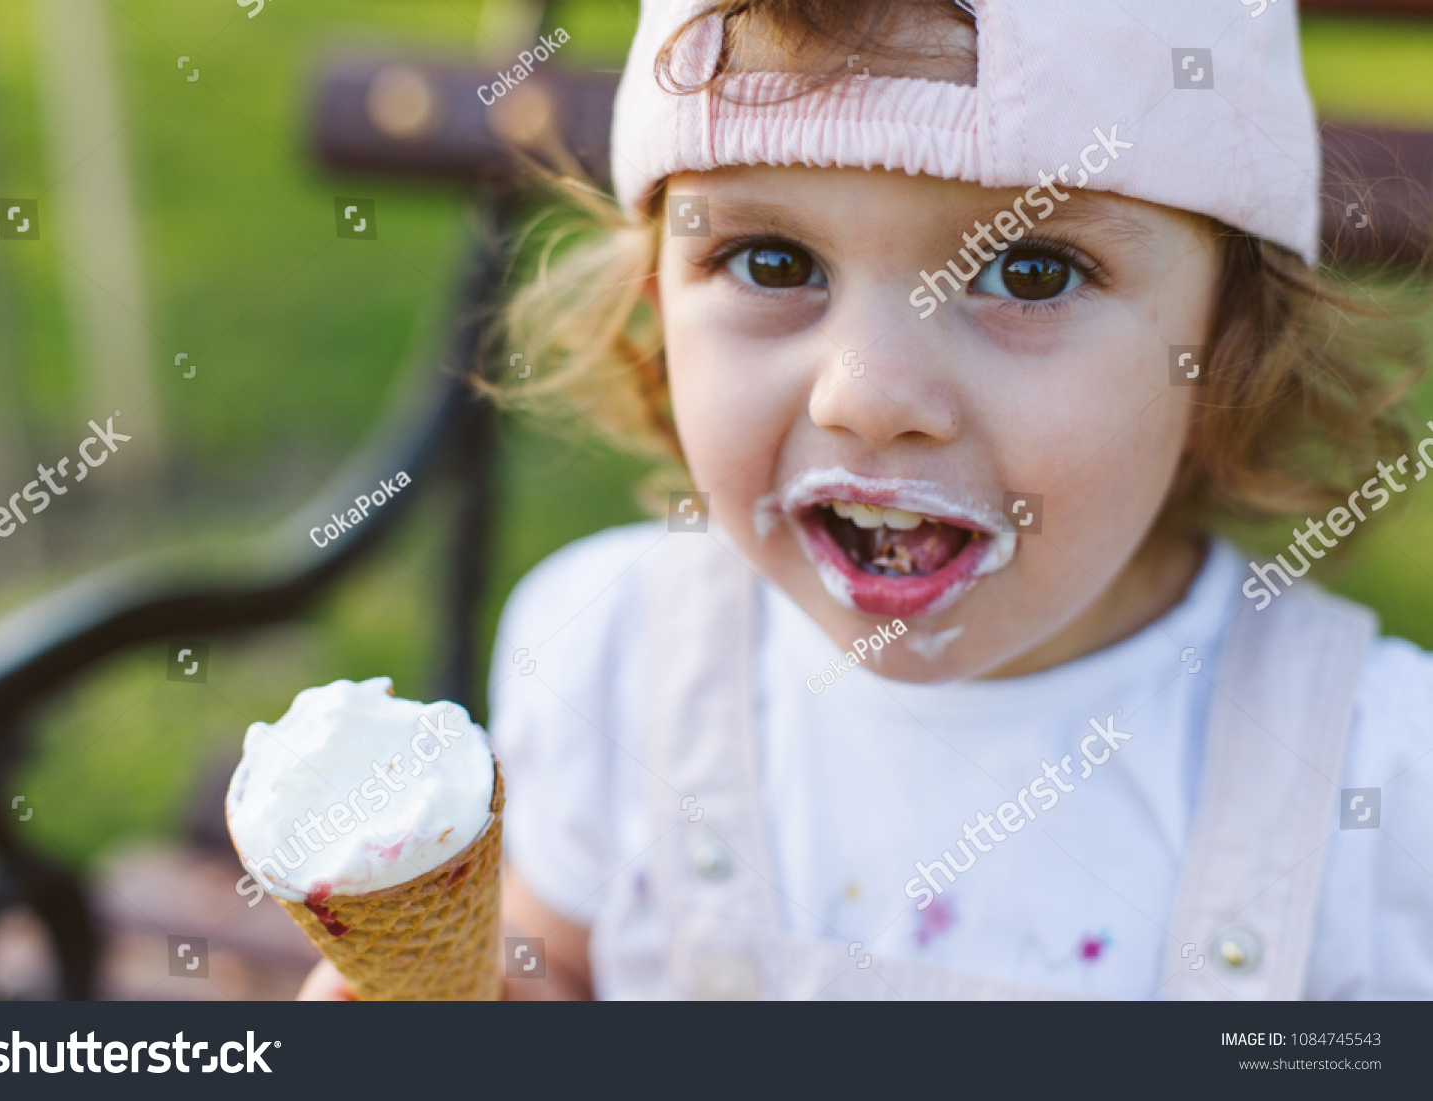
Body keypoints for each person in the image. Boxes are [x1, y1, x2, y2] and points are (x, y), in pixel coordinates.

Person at [303, 0, 1433, 1001]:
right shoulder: (617, 660)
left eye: (1031, 271)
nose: (869, 396)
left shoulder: (1372, 782)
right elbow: (561, 968)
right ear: (654, 299)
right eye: (772, 262)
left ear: (1227, 345)